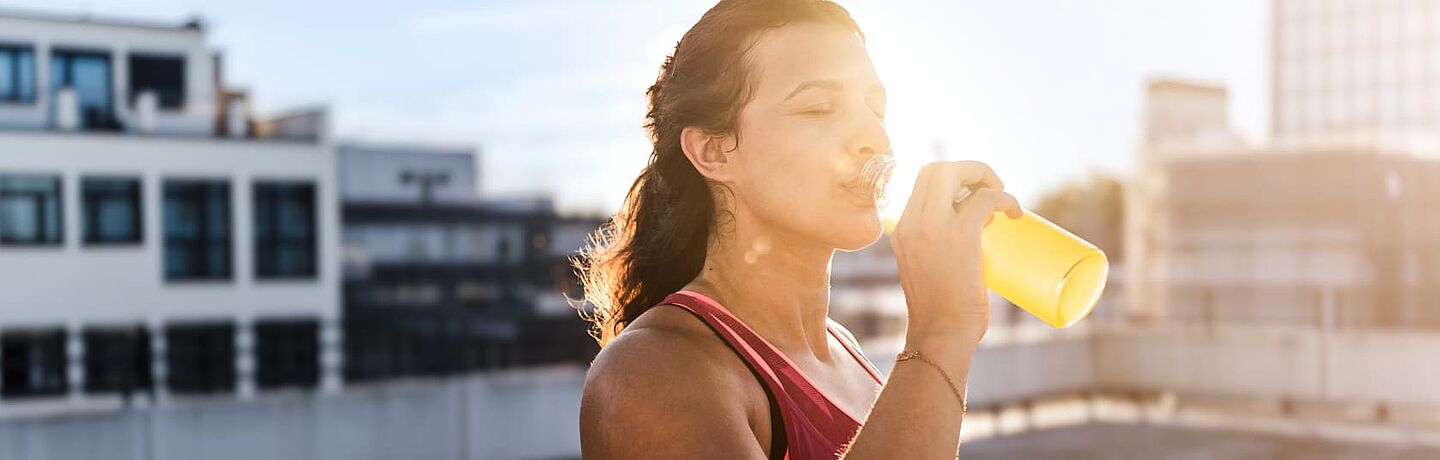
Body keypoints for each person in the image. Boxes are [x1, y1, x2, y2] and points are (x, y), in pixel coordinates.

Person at [576, 0, 1023, 458]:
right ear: (714, 152)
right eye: (819, 107)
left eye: (876, 107)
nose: (875, 136)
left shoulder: (843, 350)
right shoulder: (650, 372)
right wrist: (939, 334)